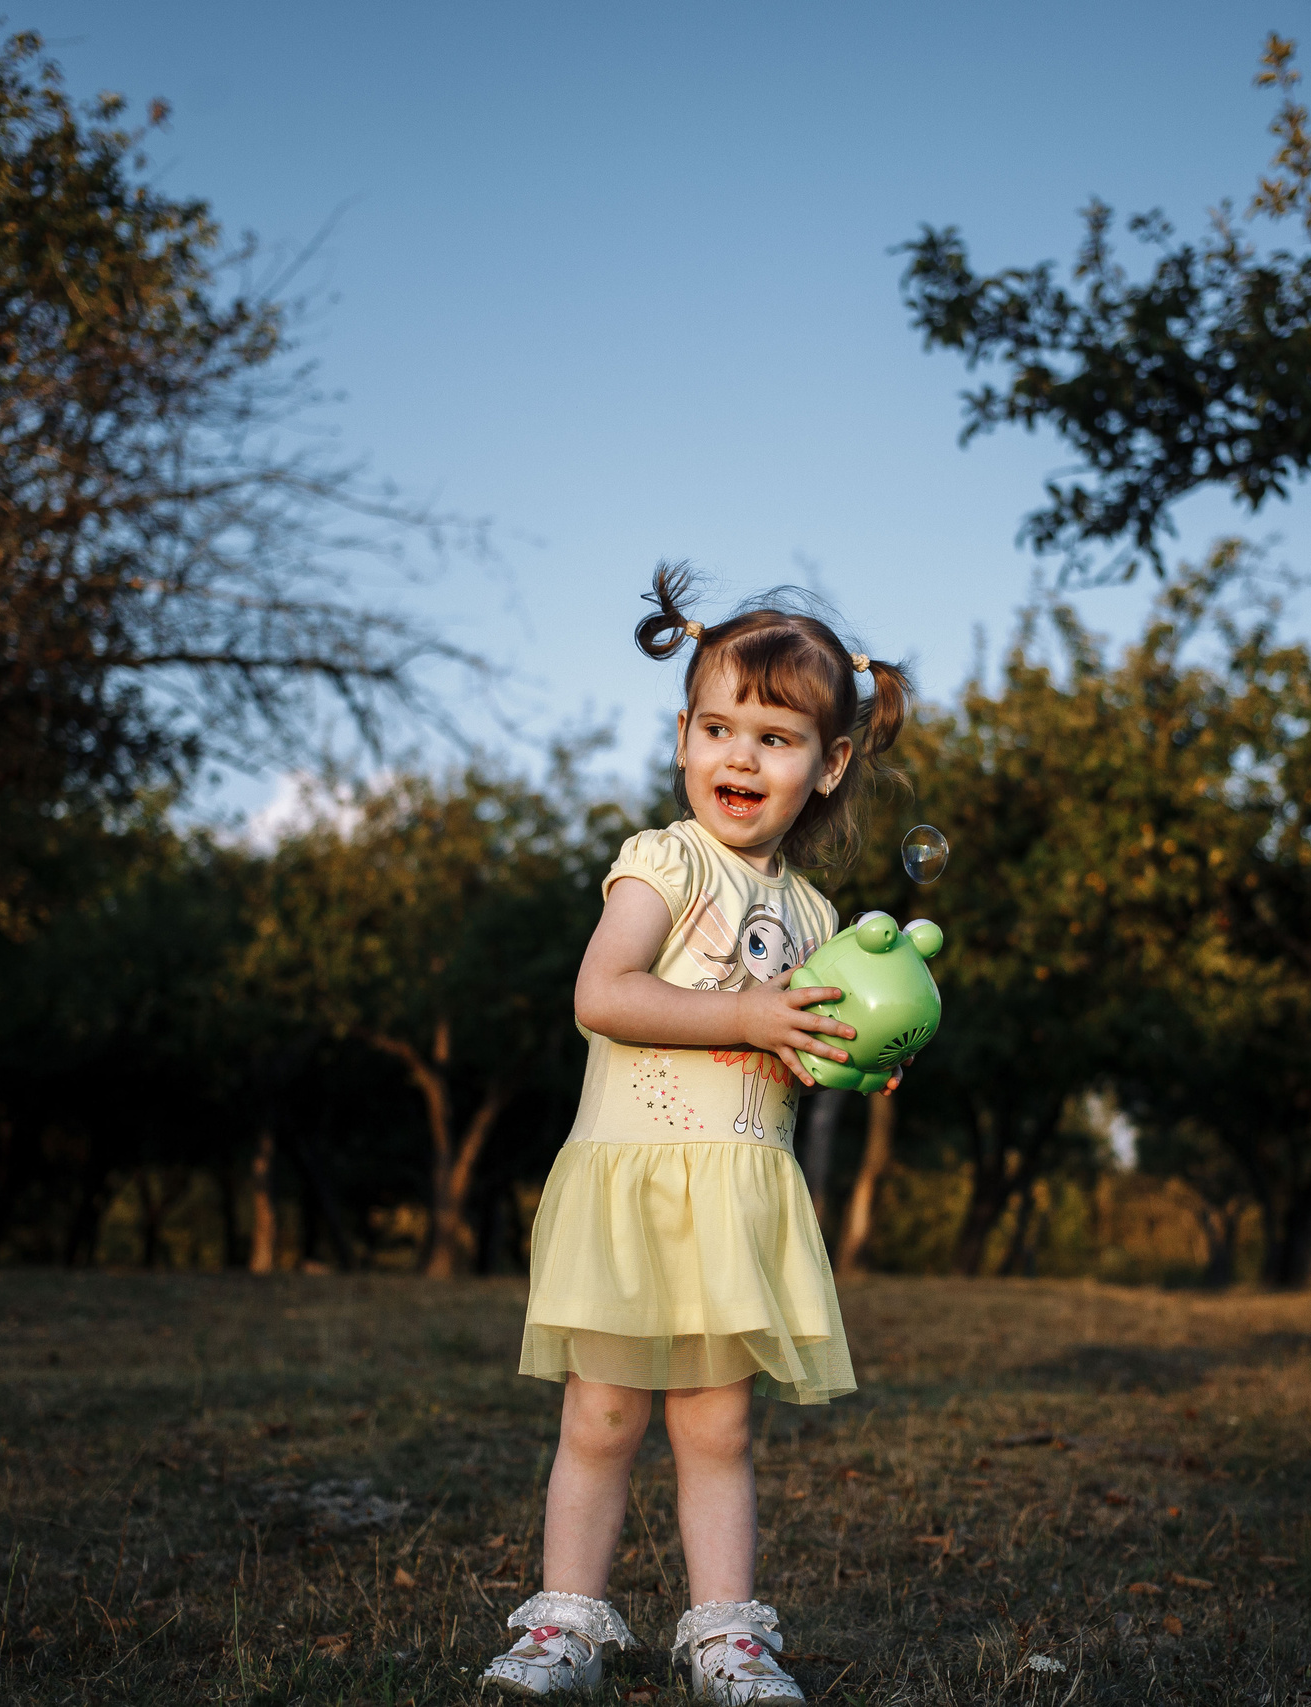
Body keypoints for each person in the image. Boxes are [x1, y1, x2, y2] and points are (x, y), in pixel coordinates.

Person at [482, 565, 914, 1705]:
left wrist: (847, 1054)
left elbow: (790, 1049)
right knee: (602, 1415)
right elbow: (603, 994)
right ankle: (564, 1627)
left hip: (733, 1197)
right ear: (682, 738)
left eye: (775, 739)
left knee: (718, 1429)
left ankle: (725, 1638)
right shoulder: (662, 862)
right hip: (633, 1186)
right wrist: (746, 1015)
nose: (740, 757)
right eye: (718, 728)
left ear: (828, 764)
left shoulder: (816, 916)